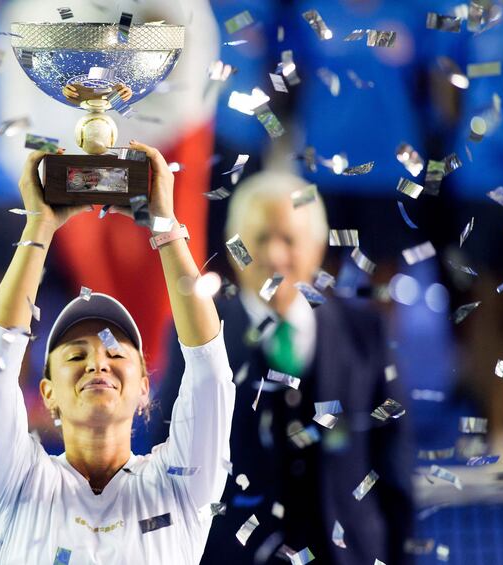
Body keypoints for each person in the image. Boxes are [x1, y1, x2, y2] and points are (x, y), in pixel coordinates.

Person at [0, 141, 235, 564]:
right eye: (75, 356)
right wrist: (38, 227)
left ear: (145, 387)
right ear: (47, 392)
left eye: (116, 354)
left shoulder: (179, 486)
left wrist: (165, 225)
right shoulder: (16, 484)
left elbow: (210, 374)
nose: (97, 363)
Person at [153, 170, 414, 564]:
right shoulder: (194, 338)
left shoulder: (366, 332)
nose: (275, 256)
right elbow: (167, 459)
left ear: (317, 249)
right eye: (260, 239)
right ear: (233, 248)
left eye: (289, 240)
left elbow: (393, 466)